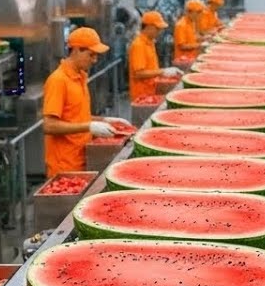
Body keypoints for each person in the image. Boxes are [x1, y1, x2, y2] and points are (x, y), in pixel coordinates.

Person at [41, 27, 133, 177]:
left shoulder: (81, 77)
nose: (95, 60)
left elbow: (76, 117)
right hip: (65, 167)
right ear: (76, 50)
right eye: (91, 55)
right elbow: (49, 125)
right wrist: (89, 126)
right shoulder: (58, 80)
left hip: (83, 158)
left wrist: (104, 120)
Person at [128, 10, 182, 104]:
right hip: (141, 95)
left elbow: (151, 68)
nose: (160, 31)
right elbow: (138, 73)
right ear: (148, 27)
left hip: (150, 91)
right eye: (157, 28)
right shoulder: (139, 45)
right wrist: (163, 72)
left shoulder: (150, 42)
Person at [173, 0, 205, 65]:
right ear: (189, 12)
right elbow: (182, 46)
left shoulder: (191, 23)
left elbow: (192, 37)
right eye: (198, 12)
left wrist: (203, 38)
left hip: (191, 58)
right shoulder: (181, 25)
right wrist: (199, 45)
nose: (200, 15)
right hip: (182, 60)